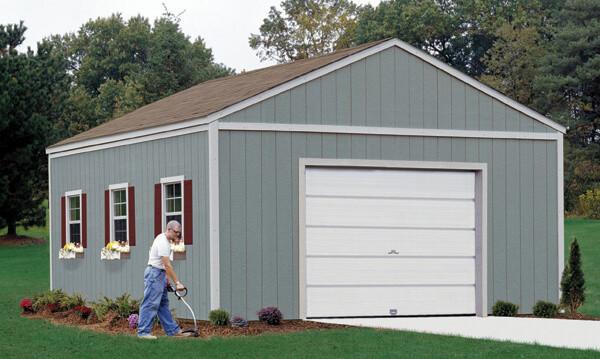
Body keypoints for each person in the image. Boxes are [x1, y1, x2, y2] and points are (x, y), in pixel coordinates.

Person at [138, 220, 190, 339]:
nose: (178, 235)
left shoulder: (163, 239)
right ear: (169, 229)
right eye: (176, 232)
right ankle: (143, 333)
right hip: (154, 274)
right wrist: (178, 283)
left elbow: (152, 254)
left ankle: (173, 331)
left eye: (179, 233)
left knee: (162, 304)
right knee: (150, 303)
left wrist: (165, 278)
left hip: (159, 274)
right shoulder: (163, 242)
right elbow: (167, 265)